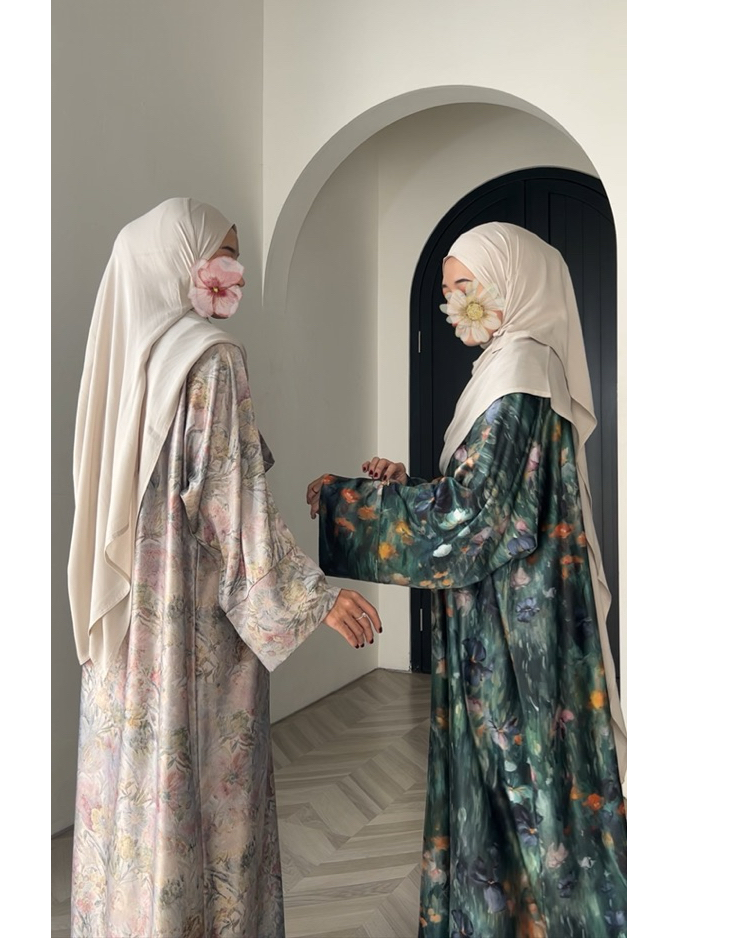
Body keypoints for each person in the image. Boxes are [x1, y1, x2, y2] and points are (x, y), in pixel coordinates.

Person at [67, 198, 381, 938]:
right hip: (191, 630)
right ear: (181, 262)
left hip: (131, 629)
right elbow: (230, 504)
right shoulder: (211, 357)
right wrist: (315, 598)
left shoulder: (124, 362)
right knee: (203, 783)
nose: (233, 270)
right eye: (222, 254)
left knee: (133, 785)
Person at [307, 222, 627, 938]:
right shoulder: (505, 368)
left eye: (466, 285)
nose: (454, 303)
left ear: (512, 282)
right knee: (516, 781)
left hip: (516, 627)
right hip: (505, 610)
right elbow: (486, 494)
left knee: (525, 783)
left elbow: (477, 517)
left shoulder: (521, 373)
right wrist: (406, 484)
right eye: (448, 289)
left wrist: (348, 503)